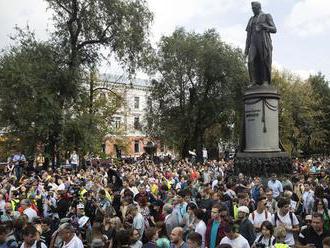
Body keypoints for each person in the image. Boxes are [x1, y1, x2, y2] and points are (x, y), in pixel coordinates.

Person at [244, 1, 277, 85]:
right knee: (250, 61)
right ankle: (253, 81)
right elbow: (248, 36)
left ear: (259, 8)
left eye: (254, 8)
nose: (253, 10)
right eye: (252, 9)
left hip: (263, 41)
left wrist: (264, 26)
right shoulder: (251, 19)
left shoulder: (266, 16)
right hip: (253, 43)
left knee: (263, 61)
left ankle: (265, 81)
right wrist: (246, 50)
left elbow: (274, 29)